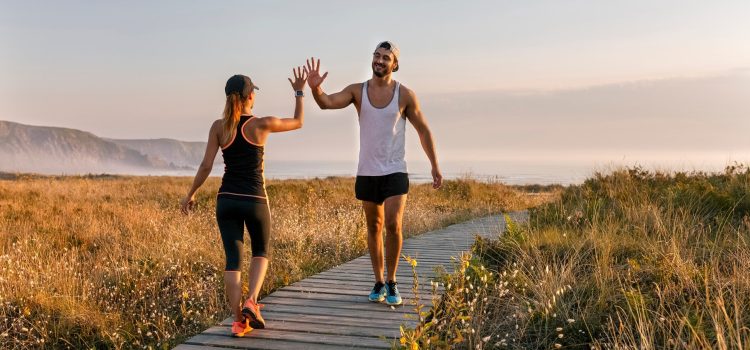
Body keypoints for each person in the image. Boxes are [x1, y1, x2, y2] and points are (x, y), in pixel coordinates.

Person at [305, 41, 442, 306]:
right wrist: (315, 88)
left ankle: (392, 281)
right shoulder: (358, 91)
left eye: (386, 58)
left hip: (394, 170)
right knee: (374, 226)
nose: (379, 61)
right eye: (376, 56)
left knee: (393, 224)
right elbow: (326, 103)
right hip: (367, 171)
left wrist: (434, 165)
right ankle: (378, 280)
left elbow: (423, 130)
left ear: (395, 64)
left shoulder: (406, 95)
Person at [180, 67, 308, 337]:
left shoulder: (218, 127)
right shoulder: (261, 124)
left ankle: (239, 321)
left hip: (226, 200)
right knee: (261, 251)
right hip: (255, 199)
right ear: (250, 96)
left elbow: (205, 166)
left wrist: (190, 194)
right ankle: (252, 301)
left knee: (233, 261)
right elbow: (298, 122)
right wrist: (299, 92)